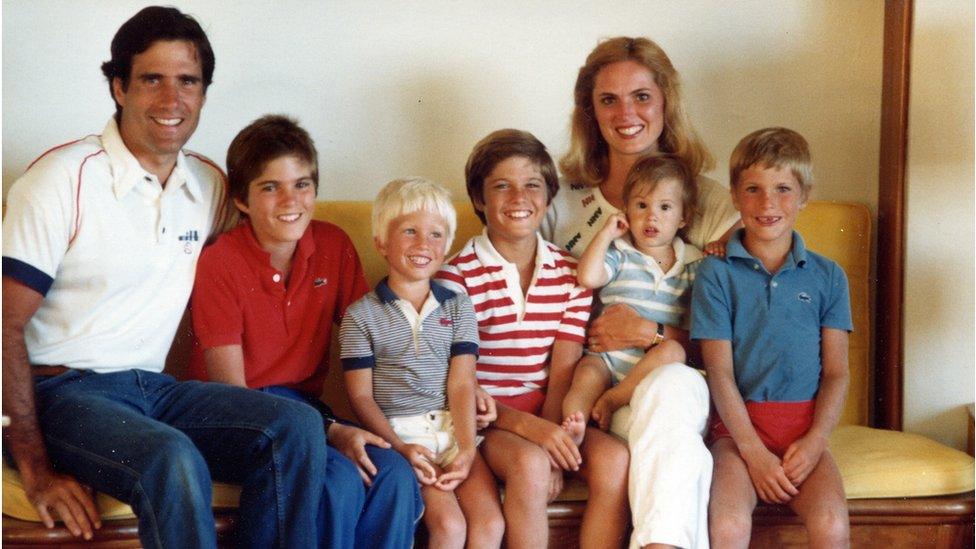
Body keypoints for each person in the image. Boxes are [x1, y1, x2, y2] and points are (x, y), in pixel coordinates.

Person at [1, 8, 329, 549]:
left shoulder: (209, 185)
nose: (172, 100)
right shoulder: (60, 180)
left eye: (188, 81)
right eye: (152, 79)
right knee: (172, 456)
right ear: (119, 87)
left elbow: (275, 224)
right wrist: (35, 470)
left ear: (203, 93)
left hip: (153, 390)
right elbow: (2, 325)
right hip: (62, 394)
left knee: (294, 427)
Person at [188, 115, 422, 548]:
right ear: (241, 199)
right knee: (337, 480)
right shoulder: (221, 261)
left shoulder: (331, 246)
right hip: (230, 417)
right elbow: (233, 395)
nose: (290, 200)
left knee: (391, 471)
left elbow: (377, 342)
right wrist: (332, 428)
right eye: (270, 187)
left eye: (302, 184)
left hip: (305, 413)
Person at [540, 36, 730, 549]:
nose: (627, 113)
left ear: (666, 102)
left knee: (672, 389)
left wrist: (652, 332)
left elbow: (743, 321)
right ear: (590, 112)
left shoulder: (707, 201)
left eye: (642, 96)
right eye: (609, 99)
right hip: (600, 394)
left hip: (679, 382)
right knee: (676, 445)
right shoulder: (558, 204)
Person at [436, 129, 630, 548]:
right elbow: (455, 381)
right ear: (479, 200)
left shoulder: (571, 274)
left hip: (551, 411)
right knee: (529, 463)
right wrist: (536, 435)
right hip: (488, 422)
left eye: (532, 186)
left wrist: (554, 432)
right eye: (501, 186)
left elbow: (563, 367)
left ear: (547, 197)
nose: (518, 197)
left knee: (615, 460)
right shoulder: (454, 278)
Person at [692, 127, 851, 548]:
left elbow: (837, 374)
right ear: (734, 195)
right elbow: (719, 373)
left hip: (804, 433)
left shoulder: (829, 276)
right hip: (737, 432)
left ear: (804, 195)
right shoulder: (716, 273)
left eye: (782, 189)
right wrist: (754, 453)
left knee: (833, 523)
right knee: (726, 525)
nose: (767, 204)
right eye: (753, 189)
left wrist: (816, 441)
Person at [340, 178, 504, 549]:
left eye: (435, 235)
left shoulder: (459, 306)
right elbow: (361, 398)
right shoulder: (360, 316)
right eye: (409, 231)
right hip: (402, 434)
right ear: (382, 242)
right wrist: (399, 446)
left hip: (453, 428)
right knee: (448, 526)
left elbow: (462, 384)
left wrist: (466, 448)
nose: (422, 244)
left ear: (446, 248)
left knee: (491, 523)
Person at [562, 154, 703, 434]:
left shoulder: (694, 264)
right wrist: (605, 235)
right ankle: (573, 427)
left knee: (674, 350)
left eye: (665, 207)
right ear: (625, 210)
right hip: (606, 358)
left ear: (684, 217)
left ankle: (613, 400)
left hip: (652, 368)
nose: (652, 216)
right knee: (585, 373)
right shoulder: (620, 254)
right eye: (641, 205)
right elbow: (588, 277)